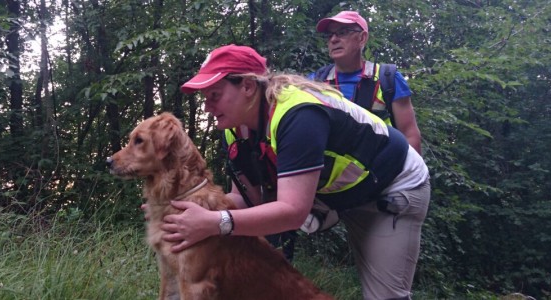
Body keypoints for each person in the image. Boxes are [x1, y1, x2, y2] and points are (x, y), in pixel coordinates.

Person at [164, 44, 431, 300]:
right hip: (337, 192)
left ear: (247, 86)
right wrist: (181, 206)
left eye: (215, 95)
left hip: (392, 183)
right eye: (204, 98)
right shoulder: (235, 130)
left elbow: (292, 212)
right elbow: (247, 200)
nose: (208, 107)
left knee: (385, 296)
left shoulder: (298, 116)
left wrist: (215, 223)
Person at [310, 11, 423, 154]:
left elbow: (410, 135)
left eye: (343, 32)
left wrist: (411, 175)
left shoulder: (388, 79)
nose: (333, 39)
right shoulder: (315, 81)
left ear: (362, 38)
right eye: (329, 35)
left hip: (381, 171)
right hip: (329, 173)